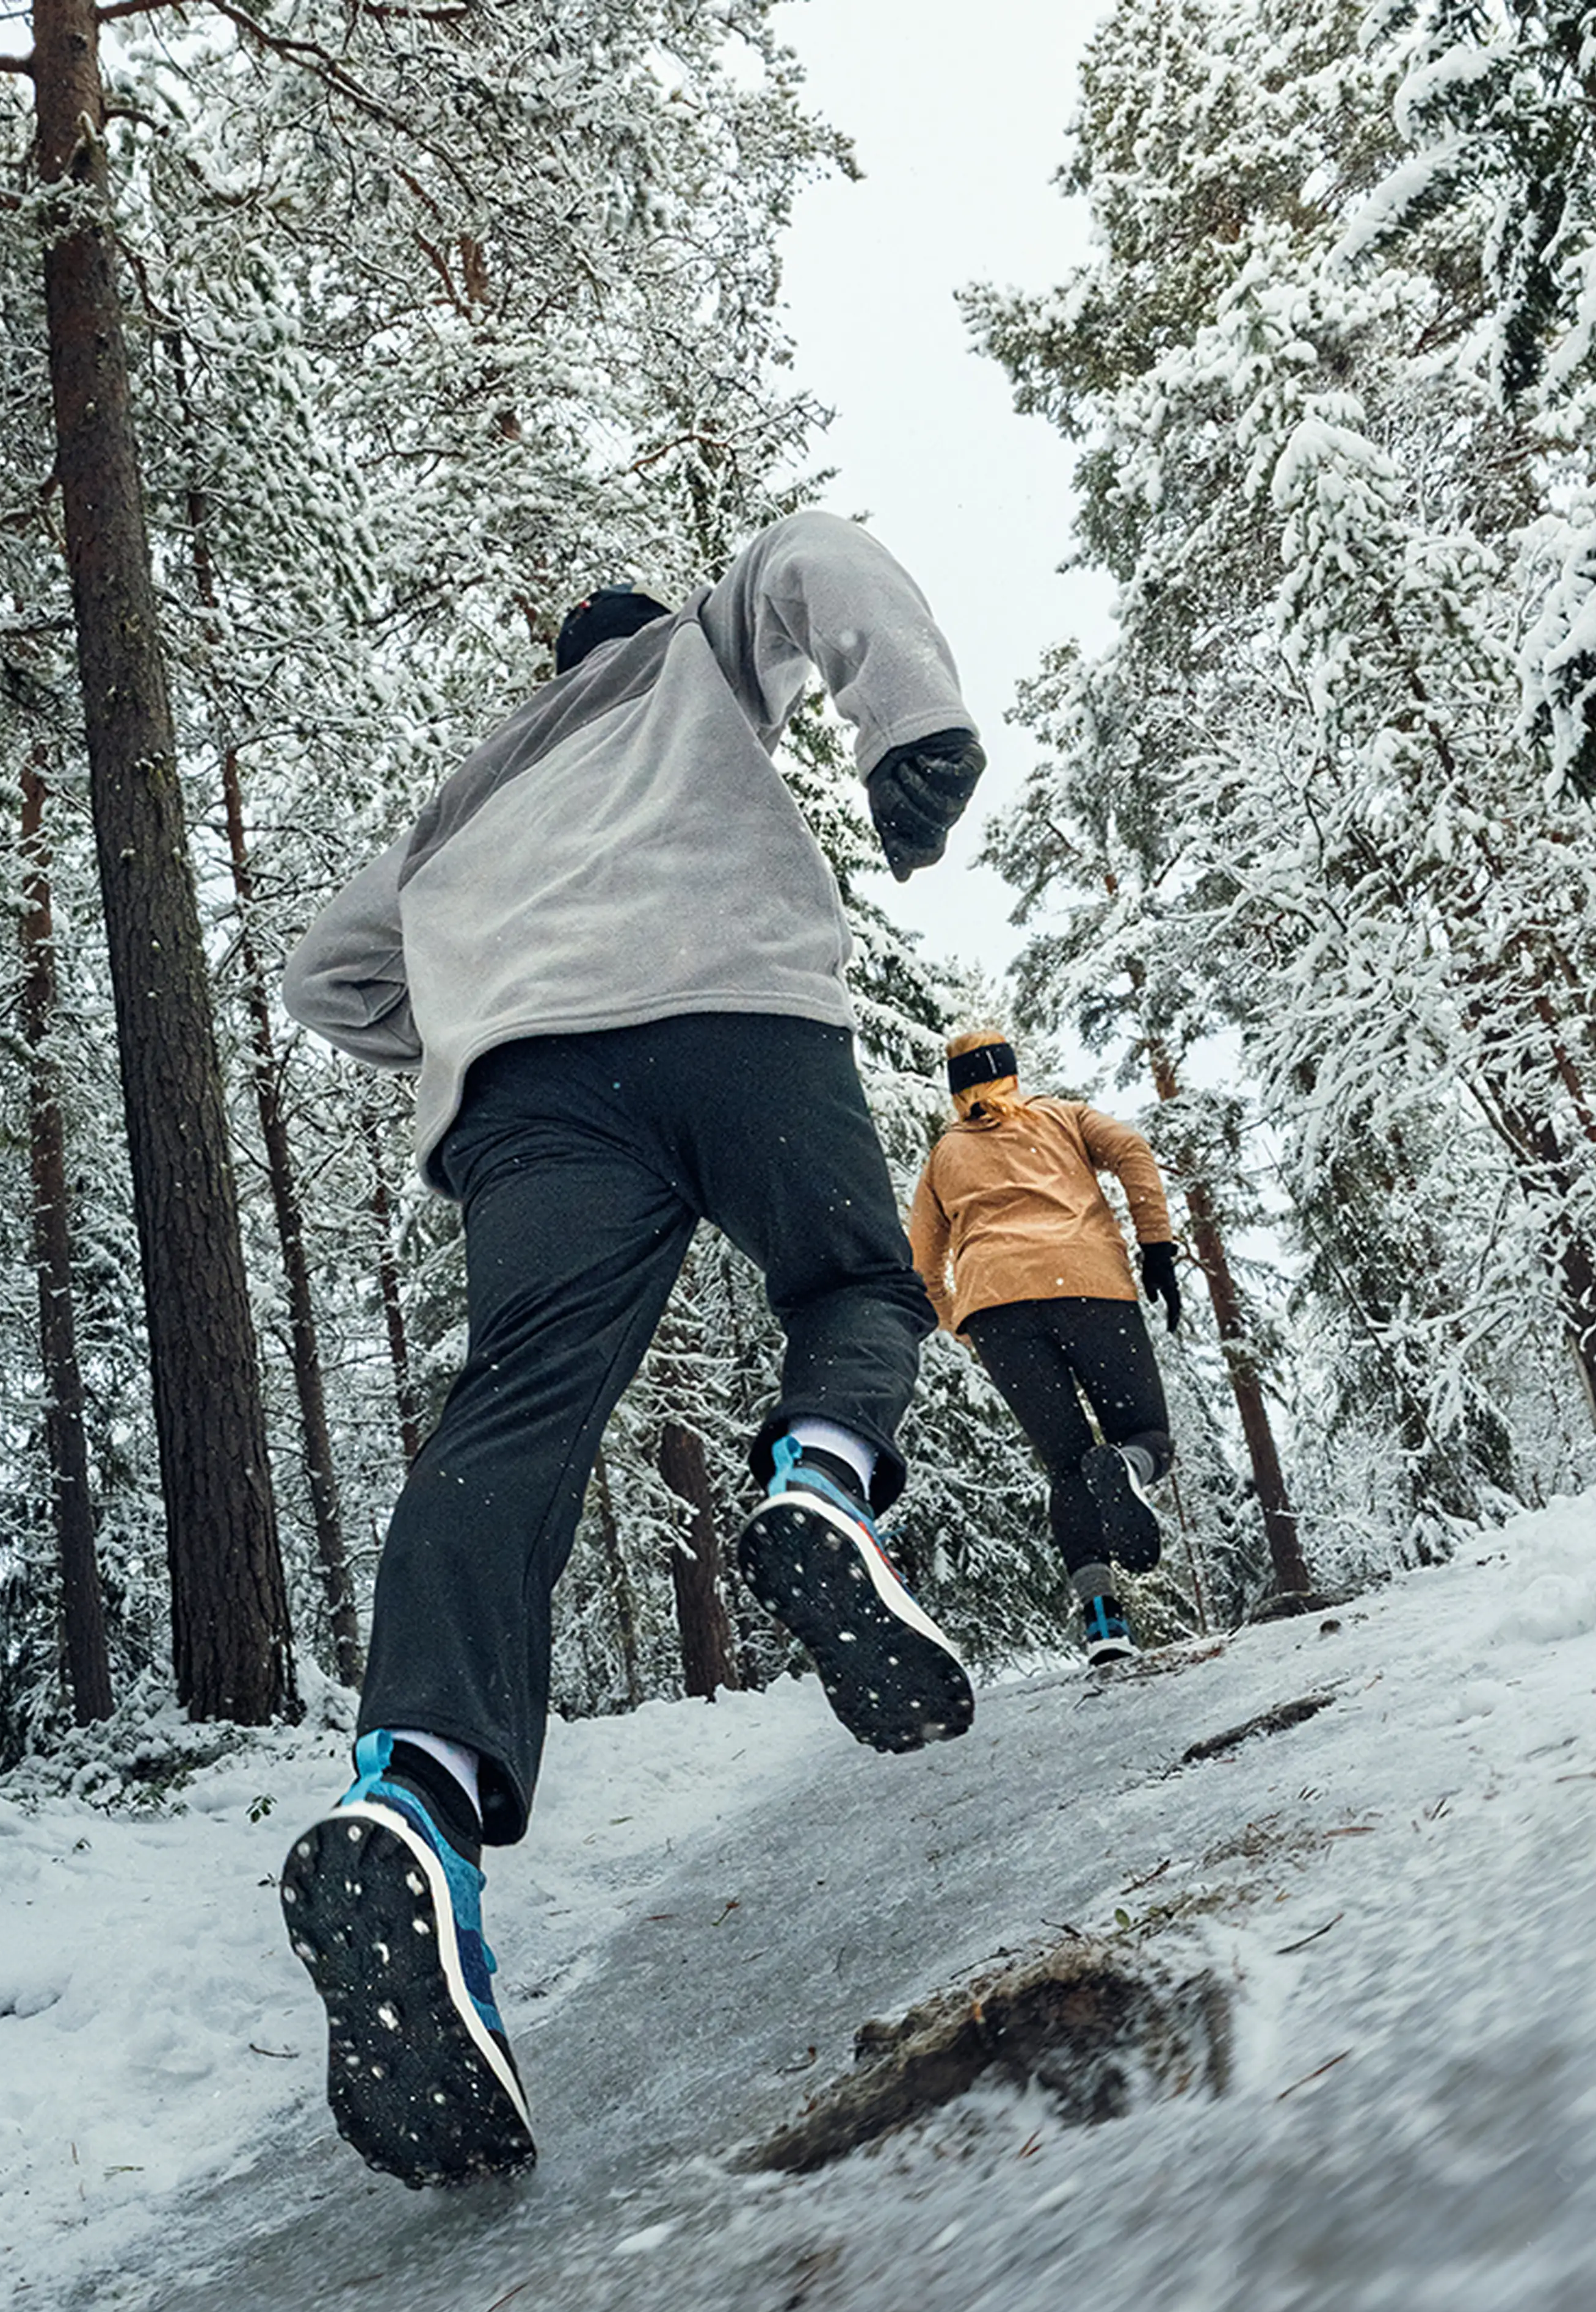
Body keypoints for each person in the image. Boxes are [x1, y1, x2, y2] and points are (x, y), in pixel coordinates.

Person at [275, 512, 989, 2190]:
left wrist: (474, 1009)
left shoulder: (459, 792)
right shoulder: (688, 656)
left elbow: (327, 975)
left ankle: (414, 1800)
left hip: (528, 1097)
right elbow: (817, 552)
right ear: (642, 630)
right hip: (728, 1005)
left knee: (508, 1423)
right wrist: (913, 729)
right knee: (853, 1283)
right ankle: (820, 1482)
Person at [905, 1032, 1184, 1670]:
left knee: (1066, 1468)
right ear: (1012, 1075)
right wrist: (1156, 1246)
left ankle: (1105, 1626)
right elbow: (1134, 1150)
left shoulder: (943, 1156)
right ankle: (1129, 1470)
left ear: (958, 1092)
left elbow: (920, 1267)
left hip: (997, 1306)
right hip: (1088, 1285)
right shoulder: (1065, 1117)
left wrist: (966, 1324)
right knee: (1147, 1437)